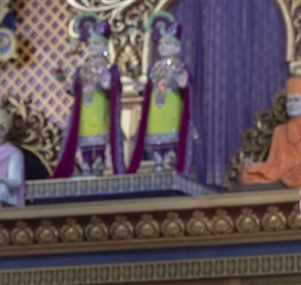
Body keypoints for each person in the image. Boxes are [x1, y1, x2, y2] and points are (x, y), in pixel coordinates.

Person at [52, 13, 125, 177]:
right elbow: (76, 90)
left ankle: (99, 162)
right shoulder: (82, 69)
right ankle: (86, 164)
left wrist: (107, 83)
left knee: (98, 139)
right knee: (85, 139)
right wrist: (64, 83)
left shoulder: (109, 68)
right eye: (90, 43)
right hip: (85, 111)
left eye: (96, 44)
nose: (92, 47)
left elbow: (116, 87)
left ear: (105, 47)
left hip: (100, 110)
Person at [240, 77, 301, 189]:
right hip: (280, 169)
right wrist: (254, 165)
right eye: (289, 100)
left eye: (296, 100)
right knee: (247, 174)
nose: (291, 104)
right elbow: (273, 162)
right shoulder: (279, 130)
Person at [128, 11, 194, 174]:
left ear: (177, 47)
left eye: (168, 43)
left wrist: (185, 83)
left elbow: (187, 85)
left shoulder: (179, 66)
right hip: (155, 110)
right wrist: (142, 87)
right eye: (161, 44)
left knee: (171, 137)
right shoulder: (154, 68)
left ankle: (170, 161)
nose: (163, 47)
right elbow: (151, 86)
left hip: (171, 108)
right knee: (155, 135)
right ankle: (157, 161)